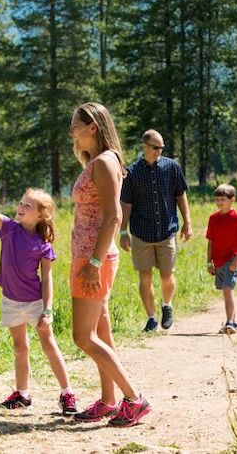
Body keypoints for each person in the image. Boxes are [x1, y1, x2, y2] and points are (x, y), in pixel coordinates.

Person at [0, 173, 77, 415]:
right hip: (10, 300)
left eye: (27, 205)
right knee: (20, 347)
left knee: (49, 346)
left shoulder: (43, 245)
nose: (20, 206)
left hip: (35, 303)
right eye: (21, 202)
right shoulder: (8, 229)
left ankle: (67, 393)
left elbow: (47, 280)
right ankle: (22, 394)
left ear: (41, 214)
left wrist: (47, 310)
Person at [69, 102, 151, 427]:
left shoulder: (104, 163)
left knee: (83, 336)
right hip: (91, 256)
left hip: (94, 259)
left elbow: (115, 215)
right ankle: (108, 400)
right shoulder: (99, 160)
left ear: (93, 127)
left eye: (76, 125)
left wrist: (93, 262)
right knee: (101, 331)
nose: (71, 131)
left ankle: (134, 398)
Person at [120, 129, 192, 332]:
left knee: (167, 276)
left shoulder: (172, 167)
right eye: (155, 147)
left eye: (161, 148)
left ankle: (167, 306)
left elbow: (181, 195)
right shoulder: (132, 172)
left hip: (166, 231)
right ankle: (151, 318)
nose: (159, 151)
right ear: (145, 146)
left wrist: (187, 222)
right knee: (145, 277)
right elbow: (126, 204)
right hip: (141, 233)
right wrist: (123, 232)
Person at [206, 184, 237, 334]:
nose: (219, 202)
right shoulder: (213, 218)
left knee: (227, 289)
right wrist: (208, 262)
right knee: (225, 291)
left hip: (232, 260)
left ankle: (230, 322)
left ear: (232, 200)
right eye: (217, 199)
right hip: (218, 261)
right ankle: (234, 320)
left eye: (223, 199)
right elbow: (210, 242)